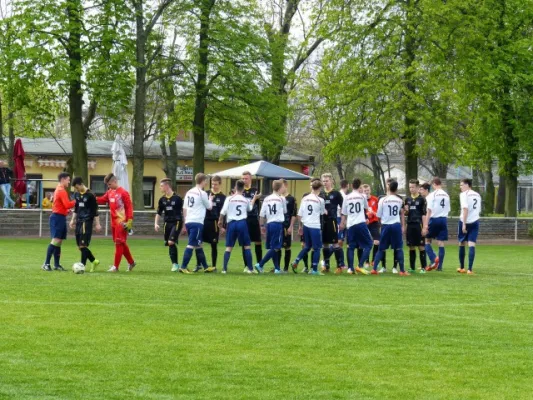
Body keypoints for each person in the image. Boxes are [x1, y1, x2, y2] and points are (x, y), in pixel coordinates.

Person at [218, 179, 260, 274]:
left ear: (235, 187)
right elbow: (250, 209)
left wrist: (220, 221)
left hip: (232, 223)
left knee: (229, 247)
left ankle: (224, 269)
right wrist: (254, 199)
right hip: (242, 223)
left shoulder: (229, 198)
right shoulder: (245, 199)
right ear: (243, 189)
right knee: (247, 246)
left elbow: (223, 212)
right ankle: (250, 268)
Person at [97, 173, 136, 272]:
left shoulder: (123, 192)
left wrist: (130, 220)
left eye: (109, 184)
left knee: (119, 243)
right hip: (113, 222)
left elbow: (129, 207)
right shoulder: (110, 192)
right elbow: (102, 199)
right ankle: (131, 262)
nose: (108, 186)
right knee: (121, 243)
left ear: (115, 181)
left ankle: (115, 267)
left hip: (122, 222)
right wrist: (92, 198)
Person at [178, 173, 216, 274]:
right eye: (206, 181)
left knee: (198, 244)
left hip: (189, 221)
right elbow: (209, 207)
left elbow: (184, 208)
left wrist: (185, 222)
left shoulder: (189, 192)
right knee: (191, 244)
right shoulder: (202, 193)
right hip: (197, 222)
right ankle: (183, 266)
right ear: (203, 181)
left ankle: (205, 267)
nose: (207, 183)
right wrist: (211, 199)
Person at [371, 181, 409, 276]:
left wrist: (381, 223)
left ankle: (374, 269)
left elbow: (379, 215)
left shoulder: (382, 200)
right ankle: (402, 271)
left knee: (381, 248)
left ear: (388, 188)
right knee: (399, 248)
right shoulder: (400, 200)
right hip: (396, 225)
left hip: (386, 225)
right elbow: (402, 213)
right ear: (396, 189)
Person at [291, 179, 327, 275]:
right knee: (317, 248)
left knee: (307, 246)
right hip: (314, 226)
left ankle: (296, 261)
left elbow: (300, 214)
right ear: (319, 188)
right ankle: (314, 269)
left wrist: (300, 226)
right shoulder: (320, 200)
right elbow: (323, 212)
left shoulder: (305, 198)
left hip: (306, 225)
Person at [41, 172, 75, 271]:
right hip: (57, 218)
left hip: (60, 216)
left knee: (59, 241)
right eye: (68, 180)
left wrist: (66, 211)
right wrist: (76, 201)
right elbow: (67, 204)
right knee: (55, 240)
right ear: (63, 179)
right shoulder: (61, 190)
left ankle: (56, 264)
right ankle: (46, 263)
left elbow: (62, 205)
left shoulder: (59, 189)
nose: (69, 182)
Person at [339, 178, 372, 275]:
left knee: (351, 246)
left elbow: (344, 212)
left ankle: (350, 268)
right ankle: (360, 265)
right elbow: (366, 208)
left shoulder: (347, 197)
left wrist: (342, 223)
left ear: (352, 186)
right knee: (369, 244)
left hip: (351, 224)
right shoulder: (362, 196)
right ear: (360, 185)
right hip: (360, 223)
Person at [69, 177, 101, 272]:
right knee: (80, 246)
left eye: (76, 187)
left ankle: (82, 266)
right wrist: (72, 220)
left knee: (83, 245)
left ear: (80, 184)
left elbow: (95, 211)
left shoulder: (91, 195)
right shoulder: (77, 194)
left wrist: (97, 224)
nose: (76, 189)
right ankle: (94, 261)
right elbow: (76, 209)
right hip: (79, 221)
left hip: (87, 222)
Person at [255, 180, 287, 273]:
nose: (284, 188)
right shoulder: (282, 198)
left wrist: (261, 226)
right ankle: (260, 264)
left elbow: (261, 215)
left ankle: (277, 268)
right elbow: (284, 211)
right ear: (280, 188)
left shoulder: (266, 198)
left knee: (273, 246)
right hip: (277, 224)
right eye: (283, 186)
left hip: (269, 224)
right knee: (276, 247)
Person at [155, 178, 183, 272]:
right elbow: (158, 213)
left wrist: (185, 225)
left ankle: (175, 264)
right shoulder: (162, 199)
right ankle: (175, 264)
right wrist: (156, 223)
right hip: (167, 223)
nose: (160, 188)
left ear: (167, 186)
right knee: (170, 244)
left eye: (161, 186)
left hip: (177, 222)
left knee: (171, 242)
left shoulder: (178, 198)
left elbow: (184, 211)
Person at [422, 177, 450, 272]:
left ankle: (434, 259)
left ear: (434, 184)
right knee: (441, 243)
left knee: (427, 240)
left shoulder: (432, 195)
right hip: (443, 219)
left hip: (434, 219)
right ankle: (440, 266)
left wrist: (425, 225)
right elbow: (448, 210)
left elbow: (429, 211)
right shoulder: (446, 195)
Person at [320, 173, 345, 274]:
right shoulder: (320, 193)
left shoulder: (336, 194)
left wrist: (343, 221)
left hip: (332, 221)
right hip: (323, 221)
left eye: (327, 181)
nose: (325, 183)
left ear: (331, 181)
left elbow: (344, 207)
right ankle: (326, 266)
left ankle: (339, 266)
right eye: (324, 181)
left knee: (335, 243)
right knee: (325, 244)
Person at [201, 175, 226, 271]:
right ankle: (200, 264)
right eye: (212, 184)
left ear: (220, 184)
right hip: (204, 221)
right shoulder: (205, 194)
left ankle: (214, 265)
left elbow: (224, 213)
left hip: (215, 223)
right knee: (199, 243)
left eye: (216, 184)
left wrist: (223, 226)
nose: (213, 186)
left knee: (214, 244)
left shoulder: (223, 197)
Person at [457, 179, 481, 275]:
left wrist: (464, 223)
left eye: (462, 185)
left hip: (465, 221)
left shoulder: (464, 194)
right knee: (471, 244)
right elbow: (478, 209)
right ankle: (470, 269)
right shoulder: (477, 195)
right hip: (475, 221)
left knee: (461, 243)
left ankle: (462, 267)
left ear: (467, 185)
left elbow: (465, 209)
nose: (460, 187)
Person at [404, 179, 427, 273]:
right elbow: (406, 214)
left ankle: (423, 267)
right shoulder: (407, 199)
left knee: (421, 246)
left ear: (417, 188)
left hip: (419, 225)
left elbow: (424, 214)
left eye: (413, 187)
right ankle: (412, 267)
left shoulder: (422, 199)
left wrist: (425, 227)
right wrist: (406, 210)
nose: (411, 189)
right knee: (411, 246)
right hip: (410, 225)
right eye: (410, 187)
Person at [241, 171, 262, 266]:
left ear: (250, 179)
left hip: (254, 219)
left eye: (246, 178)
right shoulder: (240, 191)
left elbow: (259, 206)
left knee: (258, 241)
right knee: (245, 242)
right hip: (244, 219)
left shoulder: (256, 190)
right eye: (243, 178)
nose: (244, 180)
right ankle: (246, 265)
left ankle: (259, 264)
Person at [363, 184, 385, 270]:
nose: (366, 192)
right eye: (365, 191)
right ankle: (366, 261)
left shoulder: (375, 199)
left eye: (368, 190)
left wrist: (373, 213)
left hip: (374, 223)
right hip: (364, 223)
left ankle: (373, 260)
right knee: (366, 242)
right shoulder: (361, 200)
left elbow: (379, 210)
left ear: (370, 190)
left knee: (377, 241)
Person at [280, 179, 297, 273]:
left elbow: (294, 214)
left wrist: (291, 226)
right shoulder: (277, 198)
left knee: (287, 247)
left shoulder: (291, 199)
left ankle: (286, 268)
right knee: (277, 247)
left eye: (281, 186)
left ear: (286, 185)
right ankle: (277, 268)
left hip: (286, 226)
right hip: (278, 225)